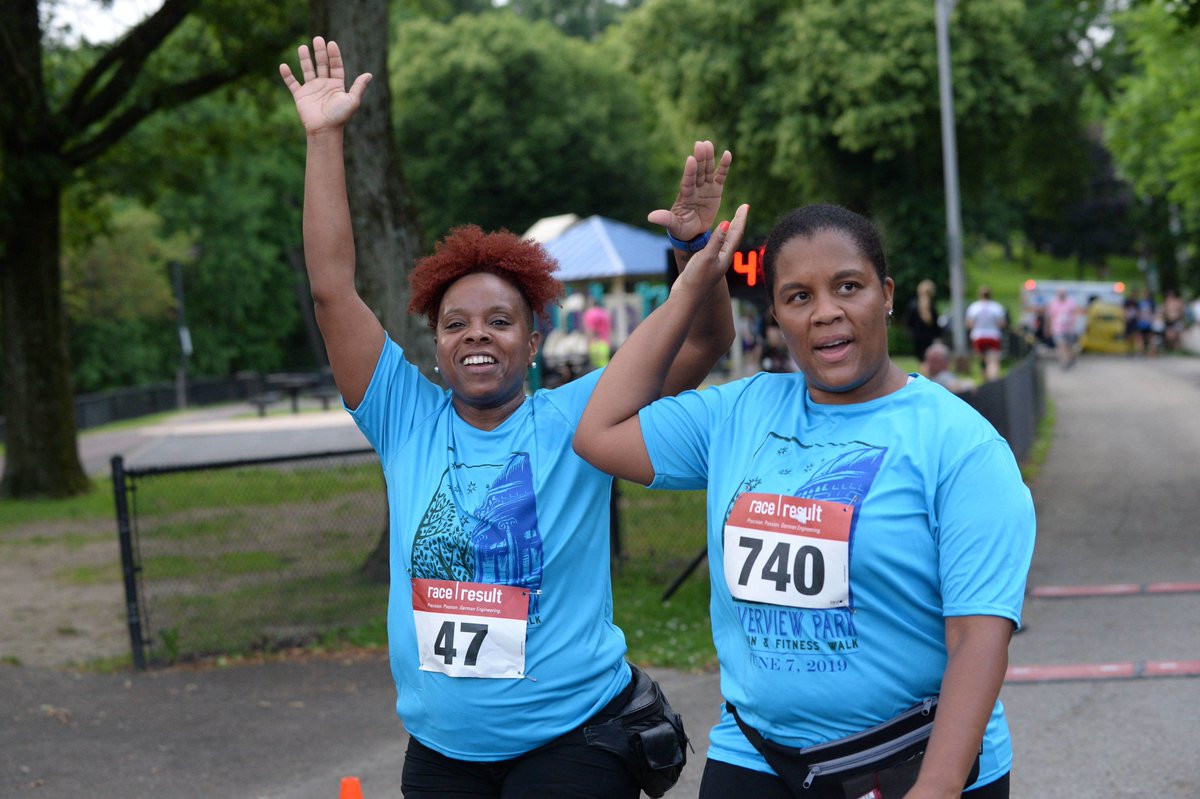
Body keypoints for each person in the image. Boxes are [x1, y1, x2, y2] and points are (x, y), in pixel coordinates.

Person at [280, 37, 735, 797]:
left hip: (574, 738)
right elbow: (333, 288)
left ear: (534, 340)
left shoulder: (581, 416)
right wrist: (324, 138)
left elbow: (704, 341)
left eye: (500, 321)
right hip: (442, 749)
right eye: (456, 324)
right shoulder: (404, 416)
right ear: (434, 343)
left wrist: (692, 251)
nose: (477, 336)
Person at [574, 203, 1036, 799]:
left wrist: (939, 785)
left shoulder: (961, 444)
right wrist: (693, 278)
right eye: (798, 296)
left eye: (848, 287)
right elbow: (599, 432)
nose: (825, 312)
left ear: (886, 295)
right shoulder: (741, 411)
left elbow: (977, 637)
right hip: (756, 753)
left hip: (910, 758)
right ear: (776, 316)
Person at [965, 286, 1007, 381]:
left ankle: (984, 381)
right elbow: (1002, 323)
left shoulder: (974, 307)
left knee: (982, 362)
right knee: (992, 362)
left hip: (978, 336)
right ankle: (993, 380)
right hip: (993, 336)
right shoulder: (996, 307)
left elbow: (969, 323)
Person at [905, 278, 944, 360]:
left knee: (922, 359)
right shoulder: (932, 306)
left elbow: (908, 322)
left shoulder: (913, 305)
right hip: (930, 338)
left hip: (917, 337)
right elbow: (935, 325)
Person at [1045, 287, 1079, 369]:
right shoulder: (1053, 304)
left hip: (1068, 329)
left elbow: (1075, 314)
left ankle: (1072, 358)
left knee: (1069, 346)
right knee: (1061, 345)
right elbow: (1050, 316)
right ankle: (1064, 361)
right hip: (1057, 329)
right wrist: (1048, 328)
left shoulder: (1070, 303)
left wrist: (1073, 324)